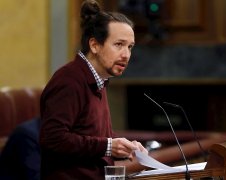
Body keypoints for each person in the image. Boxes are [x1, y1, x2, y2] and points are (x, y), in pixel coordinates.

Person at [39, 0, 148, 179]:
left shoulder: (98, 79)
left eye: (130, 47)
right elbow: (52, 138)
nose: (126, 55)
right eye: (119, 44)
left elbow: (90, 135)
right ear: (94, 45)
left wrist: (124, 146)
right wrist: (108, 145)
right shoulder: (69, 80)